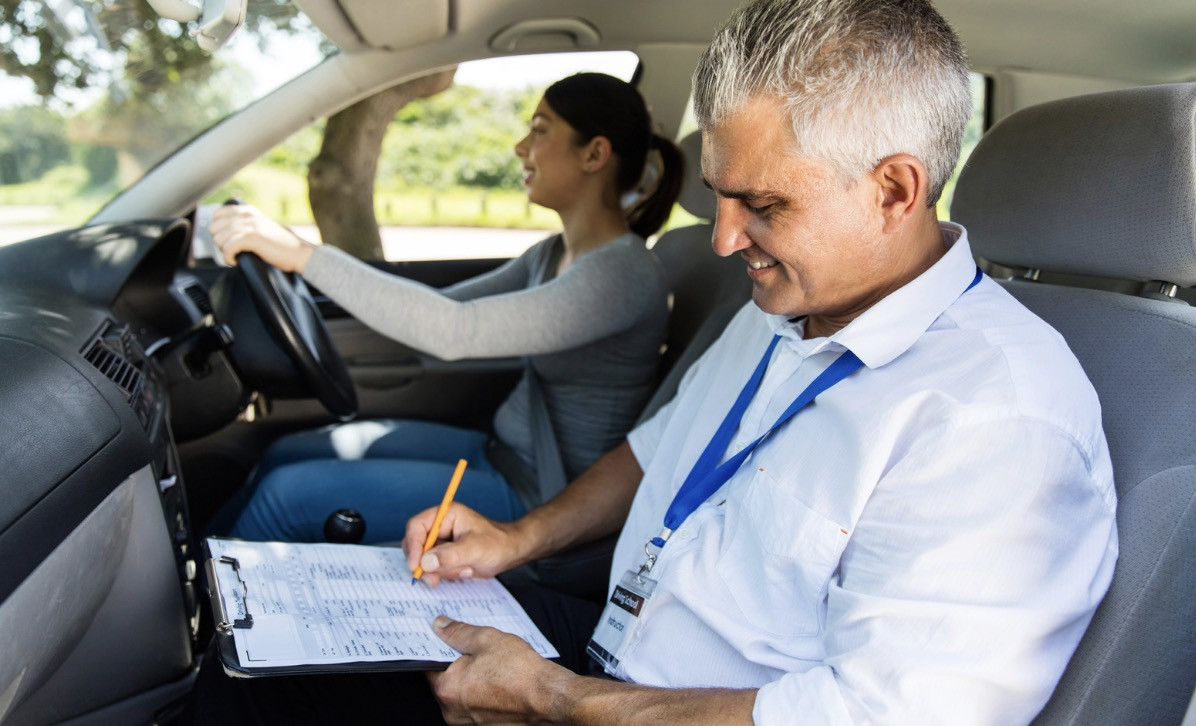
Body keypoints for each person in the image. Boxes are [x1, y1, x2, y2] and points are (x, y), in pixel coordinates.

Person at [189, 0, 1118, 723]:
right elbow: (657, 449)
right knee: (259, 674)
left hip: (628, 699)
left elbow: (869, 714)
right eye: (718, 197)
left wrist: (555, 699)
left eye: (762, 204)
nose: (719, 241)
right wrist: (521, 540)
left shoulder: (998, 414)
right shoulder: (784, 310)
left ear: (893, 190)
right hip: (600, 660)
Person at [207, 72, 683, 544]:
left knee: (286, 497)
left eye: (539, 129)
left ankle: (198, 611)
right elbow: (439, 309)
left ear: (595, 154)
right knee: (285, 454)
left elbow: (455, 332)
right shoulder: (551, 253)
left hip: (543, 497)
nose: (521, 146)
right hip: (497, 452)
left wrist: (302, 255)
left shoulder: (622, 274)